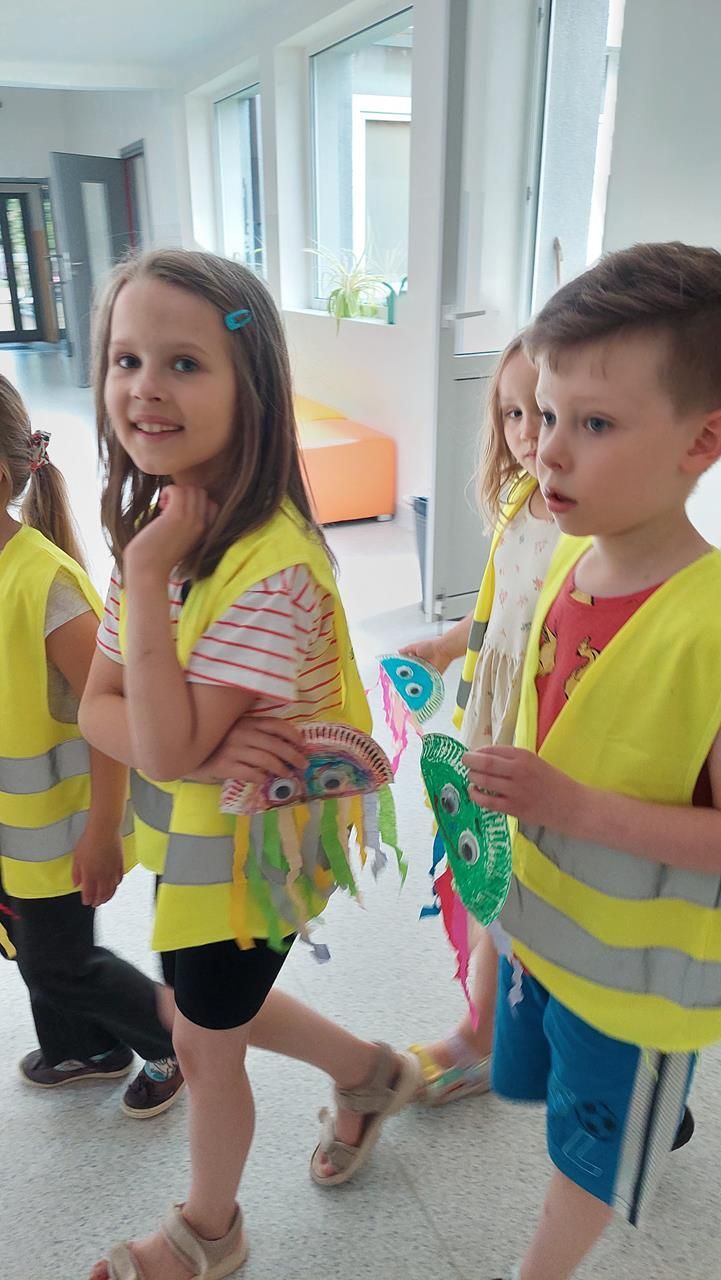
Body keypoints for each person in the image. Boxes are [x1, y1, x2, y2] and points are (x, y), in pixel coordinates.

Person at [80, 249, 419, 1280]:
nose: (146, 386)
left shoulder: (267, 565)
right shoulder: (166, 524)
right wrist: (174, 743)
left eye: (184, 363)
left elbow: (157, 738)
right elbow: (96, 705)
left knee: (202, 1039)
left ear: (253, 387)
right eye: (127, 358)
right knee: (205, 1004)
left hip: (253, 857)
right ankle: (370, 1073)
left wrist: (145, 589)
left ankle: (208, 1230)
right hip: (205, 841)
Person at [463, 241, 721, 1280]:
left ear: (702, 439)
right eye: (544, 413)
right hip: (540, 937)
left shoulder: (709, 628)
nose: (547, 453)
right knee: (543, 1098)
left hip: (638, 991)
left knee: (590, 1155)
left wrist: (570, 804)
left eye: (595, 424)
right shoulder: (563, 561)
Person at [0, 374, 183, 1119]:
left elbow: (112, 716)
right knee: (28, 945)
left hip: (58, 833)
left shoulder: (46, 584)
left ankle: (174, 1042)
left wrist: (104, 832)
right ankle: (84, 1048)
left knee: (59, 960)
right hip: (12, 829)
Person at [401, 336, 559, 1103]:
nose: (526, 432)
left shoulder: (588, 528)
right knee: (490, 869)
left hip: (545, 733)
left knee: (531, 882)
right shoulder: (518, 504)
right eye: (511, 413)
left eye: (545, 412)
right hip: (495, 721)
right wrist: (442, 645)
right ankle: (481, 1031)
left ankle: (515, 1028)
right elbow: (498, 609)